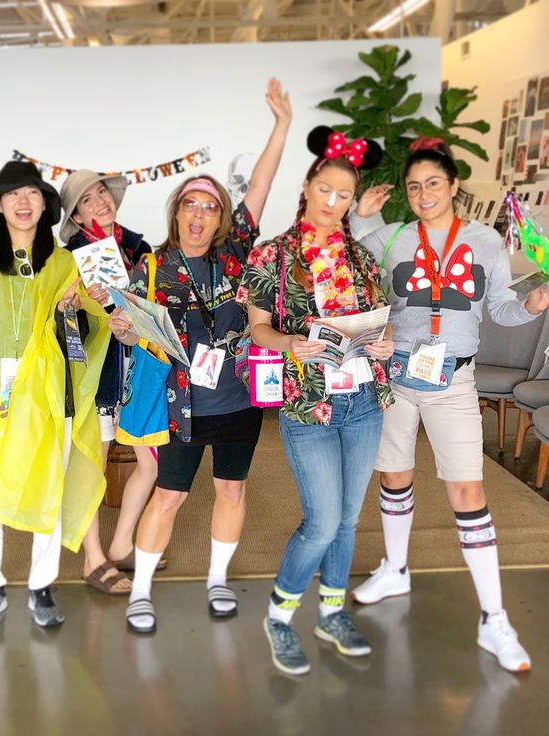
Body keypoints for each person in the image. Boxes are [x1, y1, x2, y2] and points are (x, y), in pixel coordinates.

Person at [349, 137, 549, 673]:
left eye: (433, 183)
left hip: (455, 378)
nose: (423, 193)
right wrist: (356, 213)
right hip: (394, 372)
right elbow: (352, 265)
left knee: (467, 488)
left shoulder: (485, 240)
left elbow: (500, 310)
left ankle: (494, 617)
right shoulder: (390, 237)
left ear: (454, 185)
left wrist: (531, 304)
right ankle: (395, 568)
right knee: (393, 474)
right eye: (414, 186)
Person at [110, 78, 293, 633]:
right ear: (177, 212)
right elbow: (137, 334)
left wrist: (281, 125)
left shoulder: (236, 251)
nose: (198, 215)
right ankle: (140, 590)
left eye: (209, 207)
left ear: (221, 219)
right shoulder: (152, 266)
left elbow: (260, 184)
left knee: (232, 489)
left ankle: (217, 579)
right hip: (182, 405)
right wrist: (124, 329)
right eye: (190, 204)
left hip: (237, 396)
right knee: (168, 497)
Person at [241, 126, 394, 675]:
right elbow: (257, 328)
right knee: (322, 521)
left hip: (363, 403)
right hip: (307, 407)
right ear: (307, 186)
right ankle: (280, 616)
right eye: (325, 190)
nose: (333, 203)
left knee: (349, 520)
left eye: (344, 195)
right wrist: (289, 343)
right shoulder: (271, 256)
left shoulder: (362, 258)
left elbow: (383, 320)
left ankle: (331, 612)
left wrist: (386, 340)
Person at [0, 161, 111, 629]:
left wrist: (76, 310)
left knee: (46, 483)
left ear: (45, 203)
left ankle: (41, 584)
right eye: (13, 194)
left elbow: (90, 325)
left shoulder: (65, 262)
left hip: (47, 392)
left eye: (32, 193)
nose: (23, 202)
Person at [59, 169, 157, 595]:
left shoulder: (139, 246)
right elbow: (60, 325)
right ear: (76, 216)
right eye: (86, 200)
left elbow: (155, 304)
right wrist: (75, 304)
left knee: (150, 463)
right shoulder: (68, 256)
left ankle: (121, 544)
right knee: (92, 468)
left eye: (101, 193)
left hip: (139, 367)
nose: (99, 202)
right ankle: (93, 559)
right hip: (96, 372)